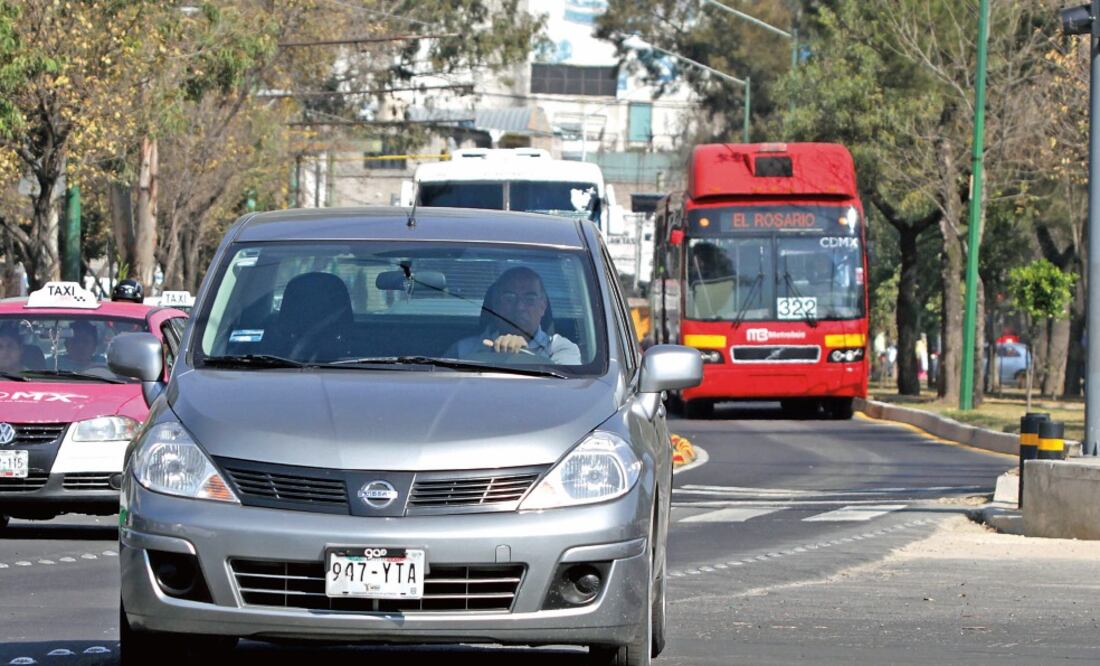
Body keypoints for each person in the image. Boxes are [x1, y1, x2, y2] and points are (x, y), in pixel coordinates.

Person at [447, 267, 581, 364]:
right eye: (509, 298)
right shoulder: (463, 351)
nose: (519, 307)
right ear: (495, 305)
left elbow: (564, 394)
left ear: (543, 306)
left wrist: (524, 355)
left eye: (529, 299)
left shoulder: (560, 349)